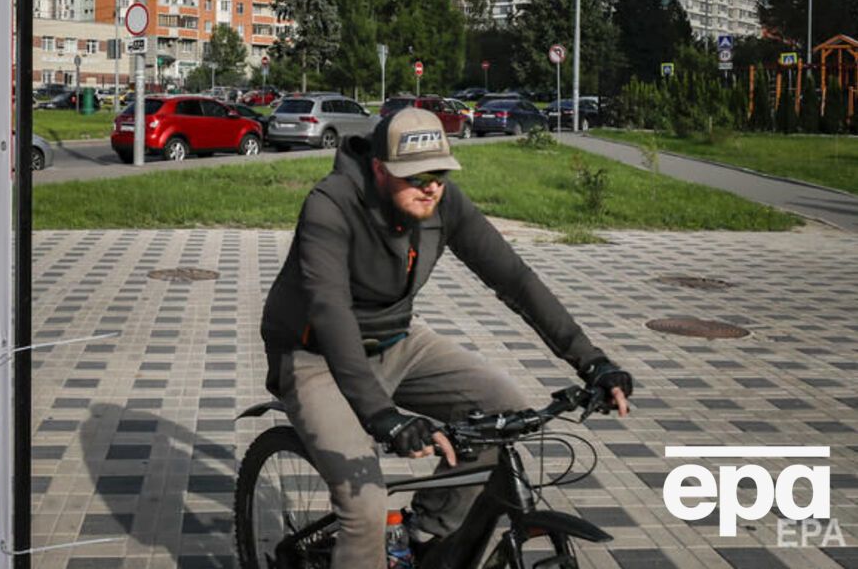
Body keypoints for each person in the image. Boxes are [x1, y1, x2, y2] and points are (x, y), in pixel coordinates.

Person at [260, 108, 631, 567]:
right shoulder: (331, 204)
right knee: (365, 504)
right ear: (379, 168)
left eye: (438, 172)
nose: (430, 185)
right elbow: (330, 313)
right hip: (316, 355)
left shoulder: (444, 202)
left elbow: (515, 280)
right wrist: (383, 416)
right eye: (414, 175)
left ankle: (423, 533)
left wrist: (591, 360)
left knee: (504, 410)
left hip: (397, 341)